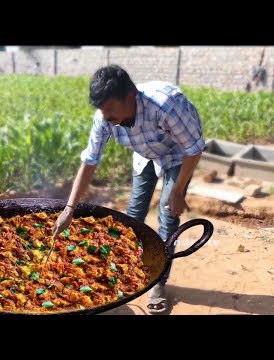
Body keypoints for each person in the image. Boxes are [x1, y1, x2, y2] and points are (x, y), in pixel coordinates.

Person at [52, 64, 206, 314]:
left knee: (168, 216)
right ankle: (126, 270)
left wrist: (177, 191)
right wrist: (69, 208)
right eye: (102, 110)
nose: (105, 115)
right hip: (145, 154)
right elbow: (90, 160)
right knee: (133, 214)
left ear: (130, 96)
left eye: (110, 108)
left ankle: (158, 283)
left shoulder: (166, 105)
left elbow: (194, 149)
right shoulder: (105, 118)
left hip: (178, 155)